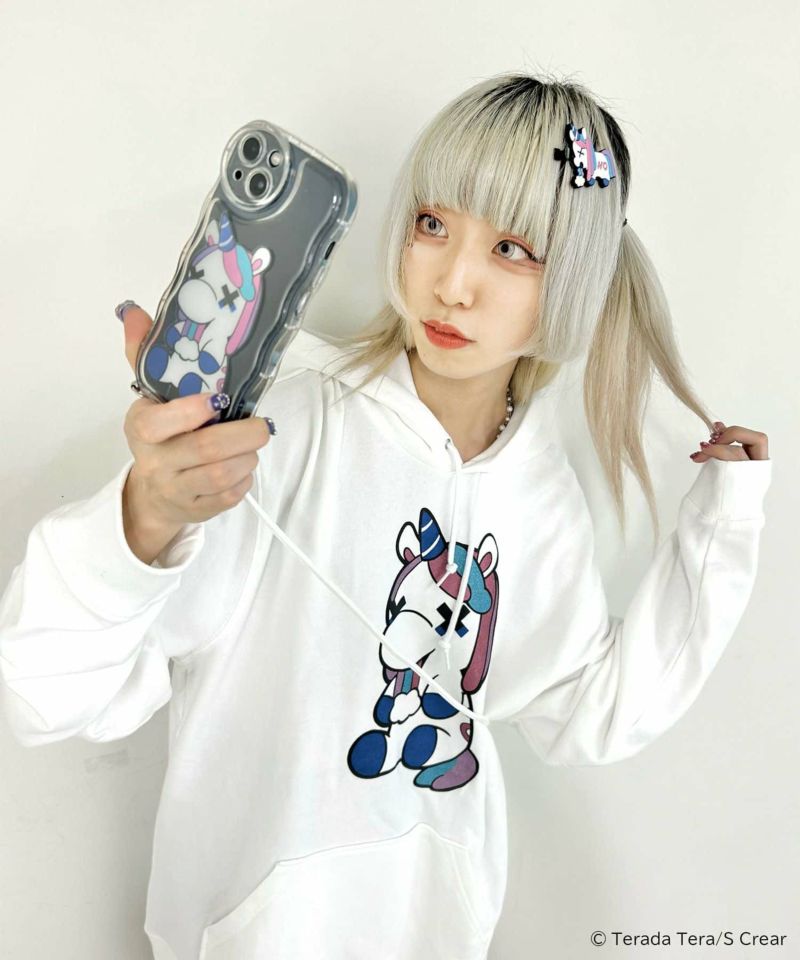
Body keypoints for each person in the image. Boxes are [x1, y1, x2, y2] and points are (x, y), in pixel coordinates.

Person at [0, 72, 771, 960]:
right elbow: (46, 692)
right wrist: (145, 518)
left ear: (580, 278)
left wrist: (721, 526)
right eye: (433, 224)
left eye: (513, 248)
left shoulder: (543, 495)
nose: (453, 285)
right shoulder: (285, 427)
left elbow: (591, 710)